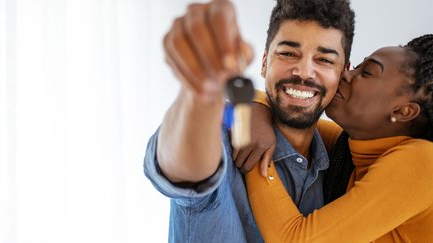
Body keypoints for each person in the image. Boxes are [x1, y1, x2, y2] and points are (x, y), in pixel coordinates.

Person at [142, 0, 355, 242]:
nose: (304, 72)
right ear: (264, 62)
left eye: (325, 60)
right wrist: (199, 92)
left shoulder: (341, 164)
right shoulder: (227, 133)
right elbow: (181, 166)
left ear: (343, 73)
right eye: (287, 53)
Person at [245, 34, 433, 242]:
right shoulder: (352, 149)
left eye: (367, 72)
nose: (346, 74)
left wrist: (254, 148)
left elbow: (293, 240)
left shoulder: (425, 162)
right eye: (357, 66)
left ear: (403, 111)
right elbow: (282, 111)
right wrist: (256, 111)